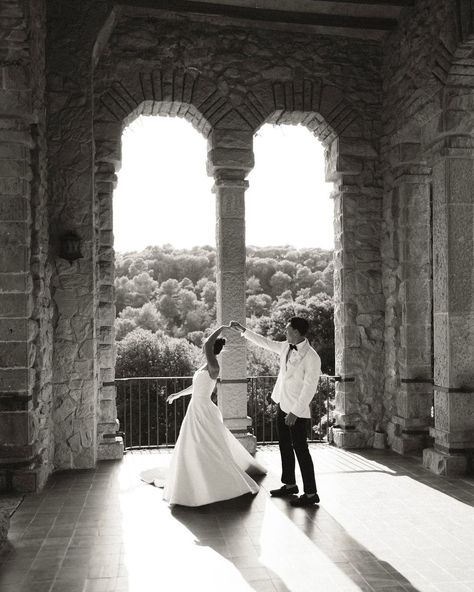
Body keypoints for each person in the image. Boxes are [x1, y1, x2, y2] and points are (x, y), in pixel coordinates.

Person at [141, 324, 266, 506]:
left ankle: (208, 478)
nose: (204, 348)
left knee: (207, 443)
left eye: (206, 347)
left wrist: (222, 327)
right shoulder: (204, 367)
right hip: (196, 407)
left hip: (203, 409)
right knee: (193, 443)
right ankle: (193, 475)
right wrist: (177, 395)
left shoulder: (214, 365)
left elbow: (208, 343)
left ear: (210, 350)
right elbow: (196, 387)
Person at [230, 317, 321, 507]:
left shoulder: (312, 357)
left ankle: (311, 493)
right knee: (285, 447)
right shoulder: (286, 346)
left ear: (297, 332)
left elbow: (309, 388)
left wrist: (295, 412)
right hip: (282, 404)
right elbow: (265, 343)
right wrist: (244, 331)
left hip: (297, 411)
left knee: (301, 451)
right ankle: (289, 484)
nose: (285, 332)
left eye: (288, 330)